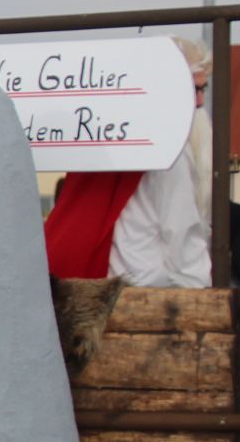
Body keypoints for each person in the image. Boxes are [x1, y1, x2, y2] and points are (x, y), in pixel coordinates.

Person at [44, 38, 211, 285]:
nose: (200, 102)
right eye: (193, 89)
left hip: (101, 284)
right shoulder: (167, 150)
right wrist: (200, 293)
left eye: (202, 89)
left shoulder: (110, 138)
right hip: (145, 291)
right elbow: (182, 235)